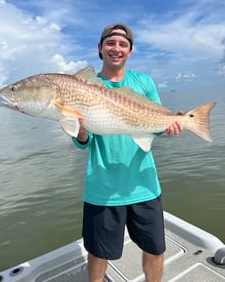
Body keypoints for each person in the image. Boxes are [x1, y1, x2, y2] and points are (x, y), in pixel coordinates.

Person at [72, 23, 183, 282]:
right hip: (103, 188)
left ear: (130, 51)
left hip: (144, 184)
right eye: (110, 43)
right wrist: (79, 130)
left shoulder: (143, 82)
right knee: (98, 252)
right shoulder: (81, 85)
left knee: (155, 249)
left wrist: (169, 126)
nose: (116, 48)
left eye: (123, 44)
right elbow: (83, 142)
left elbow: (154, 125)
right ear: (100, 48)